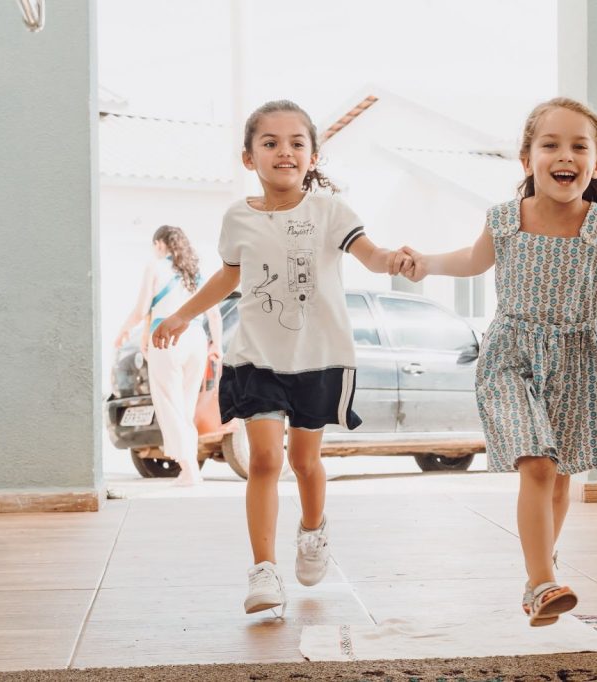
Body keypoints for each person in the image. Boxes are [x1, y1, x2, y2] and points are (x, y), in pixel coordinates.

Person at [400, 98, 597, 627]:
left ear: (596, 164)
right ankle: (544, 580)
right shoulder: (503, 220)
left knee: (561, 476)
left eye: (578, 146)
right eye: (550, 144)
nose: (563, 155)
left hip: (577, 360)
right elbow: (471, 260)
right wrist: (424, 262)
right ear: (527, 160)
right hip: (511, 357)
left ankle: (537, 575)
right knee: (537, 464)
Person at [152, 100, 412, 617]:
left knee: (305, 462)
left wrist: (394, 260)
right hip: (257, 358)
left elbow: (370, 254)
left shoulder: (330, 211)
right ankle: (264, 570)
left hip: (319, 357)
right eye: (269, 143)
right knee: (266, 461)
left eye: (296, 143)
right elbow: (228, 276)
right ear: (249, 157)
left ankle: (313, 531)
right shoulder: (238, 217)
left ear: (313, 156)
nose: (284, 151)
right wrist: (182, 315)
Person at [115, 225, 222, 486]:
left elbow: (142, 309)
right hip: (195, 336)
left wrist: (124, 331)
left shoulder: (155, 267)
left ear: (160, 244)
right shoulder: (194, 271)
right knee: (185, 407)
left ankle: (189, 469)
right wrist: (217, 344)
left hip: (166, 339)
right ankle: (190, 469)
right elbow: (214, 313)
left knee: (169, 405)